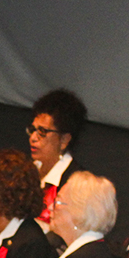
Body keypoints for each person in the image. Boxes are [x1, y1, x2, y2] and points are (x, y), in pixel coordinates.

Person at [25, 89, 86, 228]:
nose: (33, 138)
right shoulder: (27, 170)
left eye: (42, 132)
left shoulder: (77, 183)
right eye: (32, 129)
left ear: (64, 139)